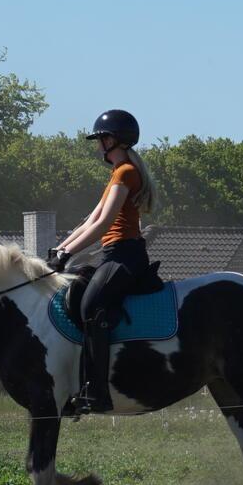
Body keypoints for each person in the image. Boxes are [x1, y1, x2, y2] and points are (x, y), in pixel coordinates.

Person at [46, 109, 156, 416]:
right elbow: (90, 220)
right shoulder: (117, 174)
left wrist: (67, 254)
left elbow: (104, 224)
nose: (98, 144)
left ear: (115, 140)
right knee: (78, 294)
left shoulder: (126, 173)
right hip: (112, 254)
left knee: (92, 305)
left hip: (126, 255)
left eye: (102, 138)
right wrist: (60, 248)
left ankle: (97, 391)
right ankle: (74, 383)